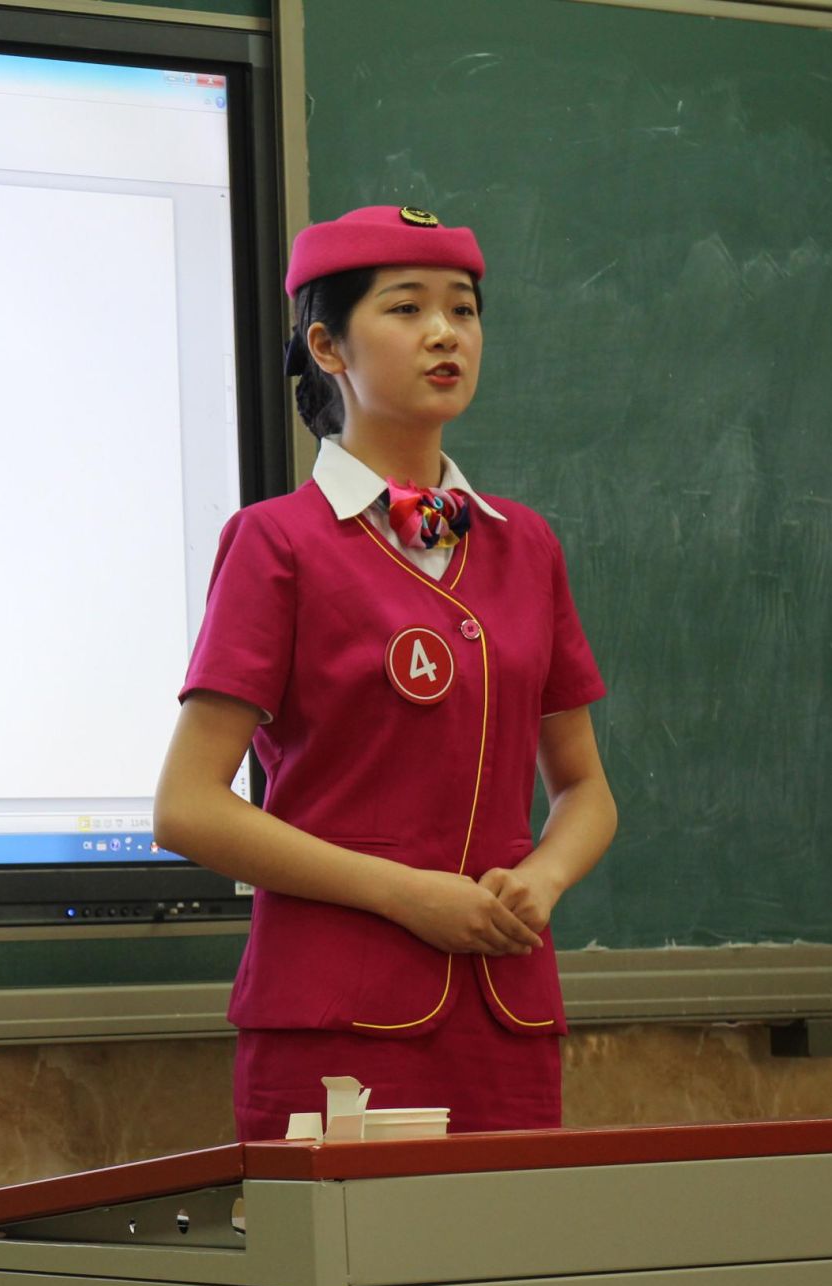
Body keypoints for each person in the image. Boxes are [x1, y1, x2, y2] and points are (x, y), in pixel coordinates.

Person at [153, 204, 618, 1139]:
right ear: (328, 346)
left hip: (506, 1018)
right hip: (335, 1024)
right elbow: (188, 806)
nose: (446, 333)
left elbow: (585, 790)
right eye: (406, 309)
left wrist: (544, 879)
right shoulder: (277, 543)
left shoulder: (525, 545)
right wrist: (406, 892)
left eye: (464, 310)